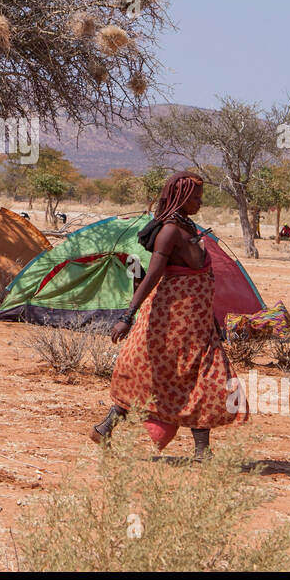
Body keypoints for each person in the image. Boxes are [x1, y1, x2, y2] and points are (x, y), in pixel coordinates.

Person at [91, 172, 248, 462]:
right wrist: (128, 315)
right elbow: (152, 275)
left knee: (206, 378)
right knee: (153, 375)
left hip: (197, 322)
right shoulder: (169, 232)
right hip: (169, 319)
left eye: (201, 196)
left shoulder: (188, 227)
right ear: (180, 197)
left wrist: (211, 317)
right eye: (196, 197)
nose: (200, 201)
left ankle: (201, 450)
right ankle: (107, 428)